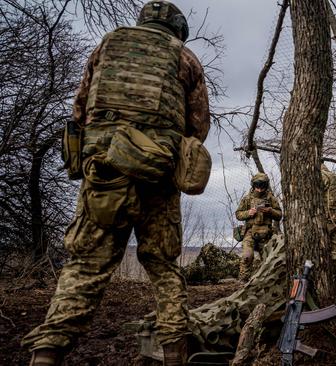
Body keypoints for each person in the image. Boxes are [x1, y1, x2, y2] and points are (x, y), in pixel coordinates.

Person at [22, 2, 210, 365]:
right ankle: (175, 352)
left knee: (86, 265)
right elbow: (198, 124)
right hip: (158, 171)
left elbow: (80, 109)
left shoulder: (108, 44)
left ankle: (47, 352)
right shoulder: (185, 57)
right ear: (177, 28)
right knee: (164, 264)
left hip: (104, 170)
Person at [235, 173, 282, 281]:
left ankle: (265, 281)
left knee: (268, 260)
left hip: (266, 233)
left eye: (262, 187)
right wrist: (248, 213)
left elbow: (279, 215)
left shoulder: (271, 199)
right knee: (247, 256)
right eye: (257, 186)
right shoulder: (246, 199)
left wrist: (270, 211)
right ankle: (243, 281)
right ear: (253, 185)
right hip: (250, 232)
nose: (259, 190)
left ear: (266, 186)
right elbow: (238, 214)